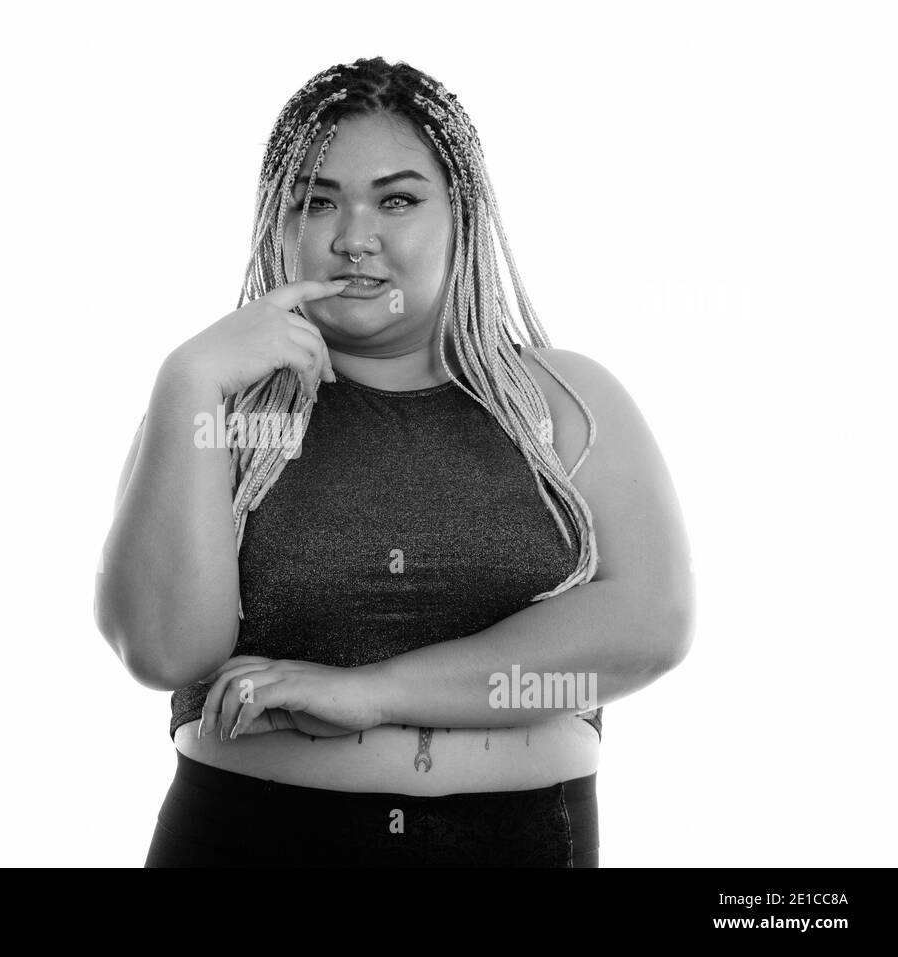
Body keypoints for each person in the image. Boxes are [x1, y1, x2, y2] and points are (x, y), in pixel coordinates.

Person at [94, 56, 694, 867]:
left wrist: (367, 693)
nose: (353, 239)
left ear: (463, 214)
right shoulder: (232, 410)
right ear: (279, 221)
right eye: (317, 202)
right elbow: (163, 652)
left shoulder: (561, 402)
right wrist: (188, 380)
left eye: (398, 199)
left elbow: (648, 626)